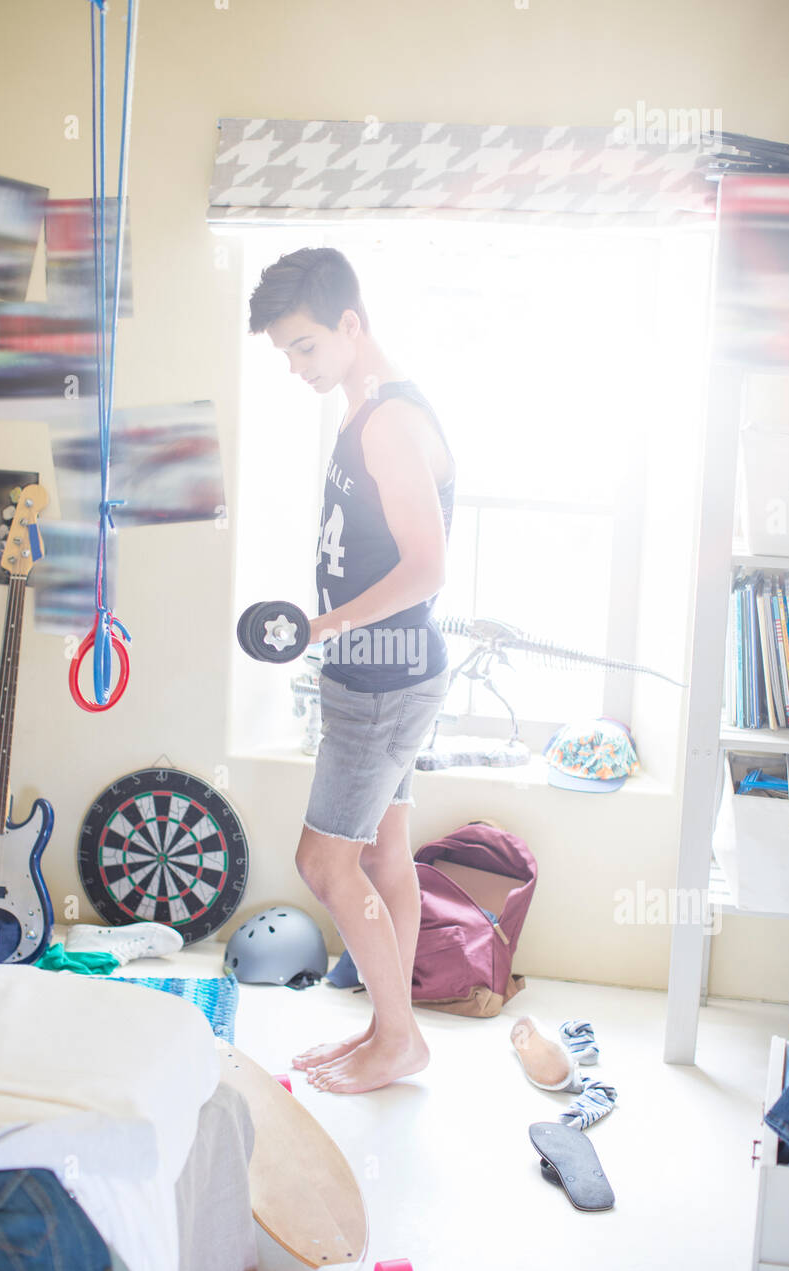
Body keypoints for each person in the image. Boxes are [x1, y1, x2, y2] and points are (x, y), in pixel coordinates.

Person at [248, 246, 456, 1094]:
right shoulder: (359, 405)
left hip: (381, 680)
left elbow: (427, 566)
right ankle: (387, 1027)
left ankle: (399, 1039)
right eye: (284, 354)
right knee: (383, 858)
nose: (296, 367)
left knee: (324, 863)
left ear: (349, 323)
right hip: (380, 671)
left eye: (303, 347)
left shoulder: (390, 421)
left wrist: (325, 625)